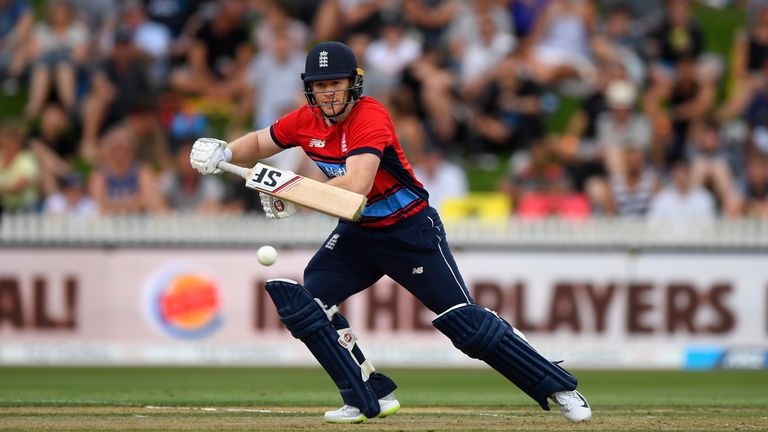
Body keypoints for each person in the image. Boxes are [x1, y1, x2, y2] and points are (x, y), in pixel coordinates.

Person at [190, 41, 592, 424]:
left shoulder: (371, 115)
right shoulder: (304, 121)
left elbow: (357, 185)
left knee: (465, 325)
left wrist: (292, 195)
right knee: (309, 302)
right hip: (359, 233)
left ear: (353, 84)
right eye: (320, 86)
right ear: (309, 90)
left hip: (409, 231)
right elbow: (262, 141)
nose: (328, 94)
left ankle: (558, 387)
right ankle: (367, 395)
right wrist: (225, 152)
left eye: (335, 84)